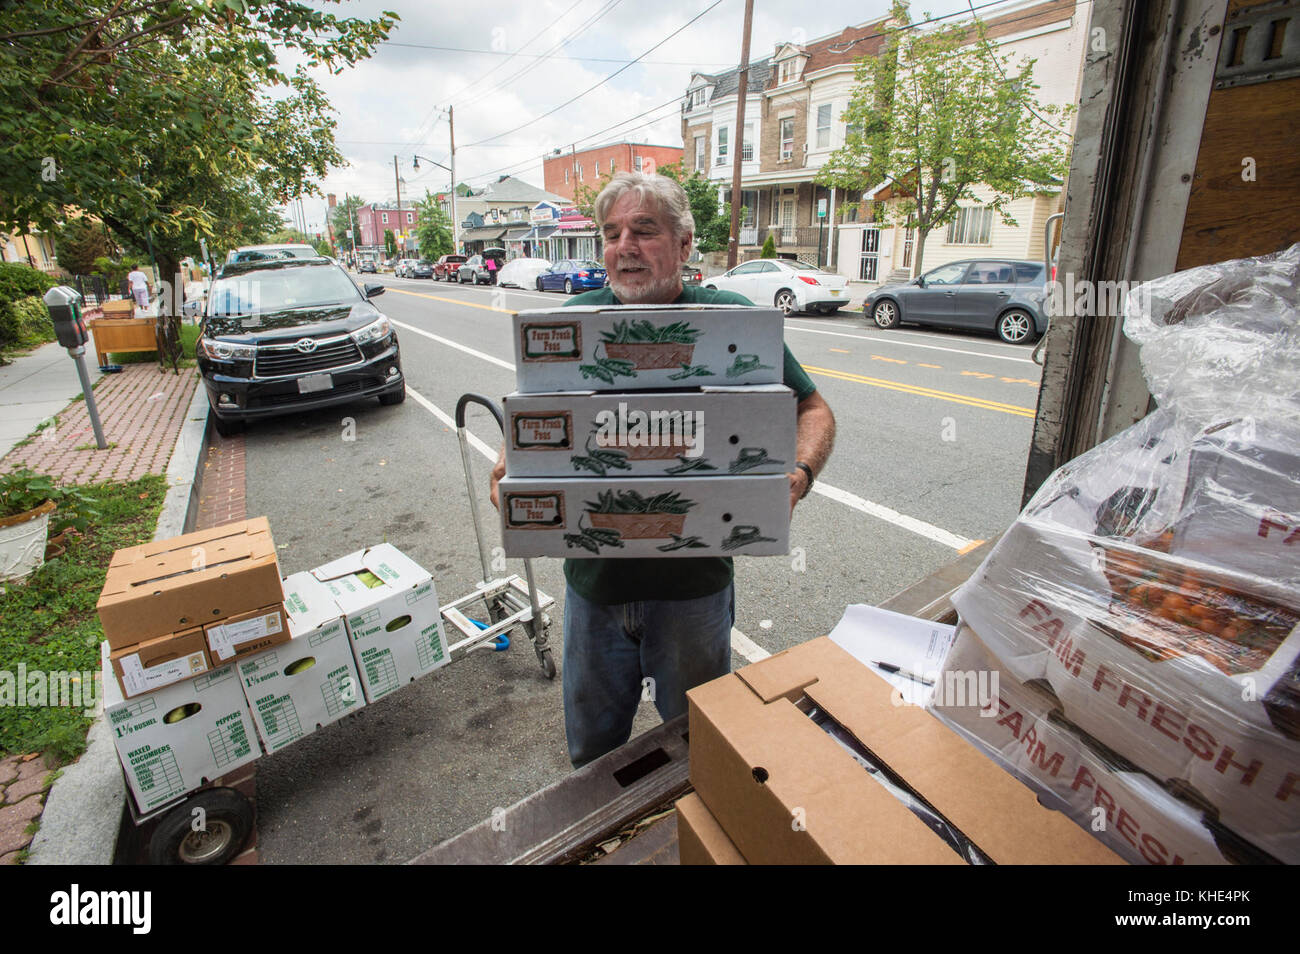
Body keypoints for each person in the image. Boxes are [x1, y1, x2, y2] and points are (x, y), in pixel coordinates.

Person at [490, 171, 836, 768]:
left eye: (644, 231)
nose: (625, 246)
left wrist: (798, 474)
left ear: (683, 244)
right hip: (594, 591)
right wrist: (513, 463)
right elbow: (539, 416)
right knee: (594, 757)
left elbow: (813, 408)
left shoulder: (730, 319)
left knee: (699, 748)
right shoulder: (575, 322)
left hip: (692, 594)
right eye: (612, 232)